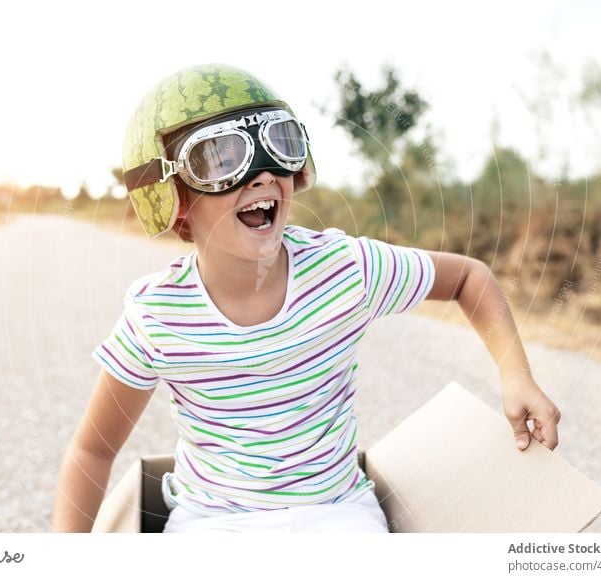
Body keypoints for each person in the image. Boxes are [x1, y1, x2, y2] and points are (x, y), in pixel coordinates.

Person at [52, 64, 561, 533]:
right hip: (210, 524)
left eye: (280, 144)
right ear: (173, 201)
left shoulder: (344, 269)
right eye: (221, 158)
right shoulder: (157, 314)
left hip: (336, 513)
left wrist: (517, 375)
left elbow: (468, 278)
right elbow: (93, 450)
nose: (261, 173)